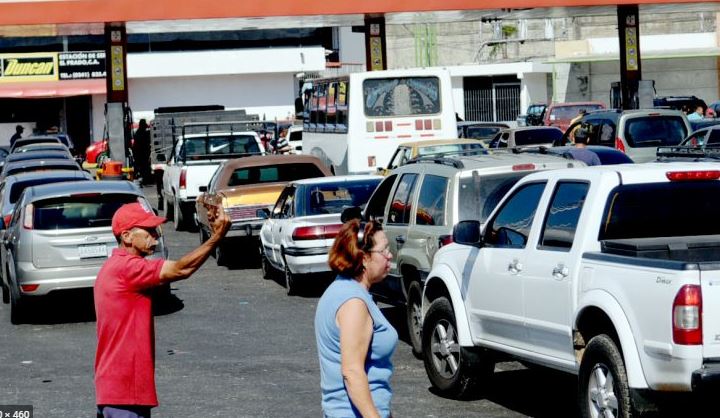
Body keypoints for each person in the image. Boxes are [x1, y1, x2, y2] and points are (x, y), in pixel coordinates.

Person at [94, 201, 230, 418]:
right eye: (148, 231)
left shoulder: (113, 267)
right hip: (125, 394)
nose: (155, 237)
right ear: (127, 236)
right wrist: (216, 237)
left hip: (116, 391)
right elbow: (181, 269)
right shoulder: (127, 268)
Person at [315, 220, 398, 418]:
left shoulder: (338, 290)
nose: (390, 255)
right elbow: (352, 371)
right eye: (384, 250)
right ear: (364, 258)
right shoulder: (354, 303)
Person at [133, 119, 152, 184]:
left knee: (142, 167)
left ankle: (144, 178)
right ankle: (145, 179)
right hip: (142, 154)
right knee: (144, 167)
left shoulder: (138, 133)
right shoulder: (142, 133)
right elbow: (146, 142)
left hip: (139, 154)